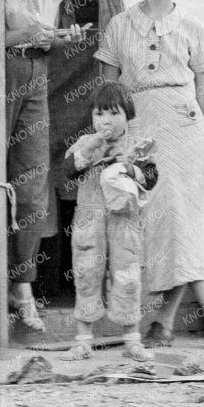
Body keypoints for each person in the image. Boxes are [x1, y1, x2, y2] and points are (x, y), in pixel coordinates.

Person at [95, 0, 204, 350]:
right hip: (140, 134)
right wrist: (110, 144)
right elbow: (108, 94)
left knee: (188, 221)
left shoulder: (190, 26)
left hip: (186, 130)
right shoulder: (121, 25)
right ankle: (170, 322)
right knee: (163, 226)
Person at [4, 0, 91, 332]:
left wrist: (63, 37)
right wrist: (27, 32)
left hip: (36, 75)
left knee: (34, 181)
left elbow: (46, 38)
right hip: (0, 74)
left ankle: (23, 287)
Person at [60, 83, 159, 363]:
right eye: (99, 114)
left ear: (128, 116)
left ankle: (132, 340)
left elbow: (151, 178)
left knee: (127, 276)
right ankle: (82, 341)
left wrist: (128, 167)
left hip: (124, 220)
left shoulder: (138, 146)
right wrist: (88, 150)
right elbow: (66, 170)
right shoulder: (85, 144)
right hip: (89, 220)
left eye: (114, 114)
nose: (106, 121)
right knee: (86, 273)